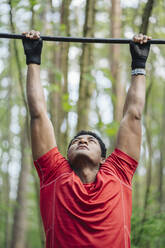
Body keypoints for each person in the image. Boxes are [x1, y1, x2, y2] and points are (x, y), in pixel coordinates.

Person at [22, 31, 151, 248]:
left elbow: (134, 115)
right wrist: (33, 58)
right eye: (76, 142)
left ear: (103, 158)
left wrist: (139, 64)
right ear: (67, 156)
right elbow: (38, 114)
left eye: (90, 141)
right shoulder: (55, 173)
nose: (82, 141)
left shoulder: (117, 172)